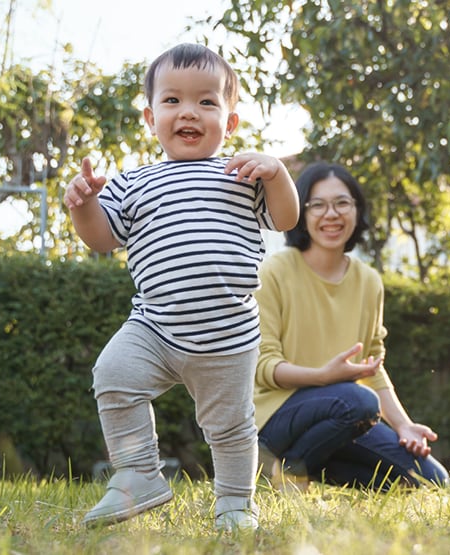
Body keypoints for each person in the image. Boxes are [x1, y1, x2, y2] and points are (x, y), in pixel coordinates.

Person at [63, 43, 299, 531]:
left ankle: (235, 503)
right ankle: (137, 474)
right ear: (151, 118)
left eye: (207, 102)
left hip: (227, 334)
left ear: (229, 122)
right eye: (172, 101)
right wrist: (82, 205)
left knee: (231, 428)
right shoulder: (134, 183)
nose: (188, 111)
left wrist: (276, 172)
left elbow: (286, 217)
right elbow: (102, 239)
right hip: (154, 325)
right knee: (113, 375)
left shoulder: (243, 175)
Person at [254, 161, 449, 492]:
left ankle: (306, 464)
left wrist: (404, 426)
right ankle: (286, 473)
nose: (331, 214)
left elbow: (372, 366)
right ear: (301, 212)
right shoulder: (274, 272)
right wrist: (322, 378)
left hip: (340, 416)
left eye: (342, 203)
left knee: (431, 479)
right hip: (274, 419)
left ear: (357, 210)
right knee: (359, 401)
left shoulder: (369, 281)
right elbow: (262, 367)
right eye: (317, 205)